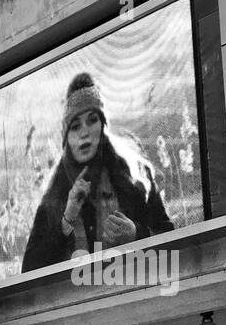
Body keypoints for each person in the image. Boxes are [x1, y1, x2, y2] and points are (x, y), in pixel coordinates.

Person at [21, 71, 174, 273]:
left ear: (103, 125)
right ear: (66, 137)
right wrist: (67, 219)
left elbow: (172, 246)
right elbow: (30, 271)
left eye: (92, 120)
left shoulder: (137, 175)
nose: (85, 132)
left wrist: (136, 235)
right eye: (75, 126)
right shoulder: (55, 196)